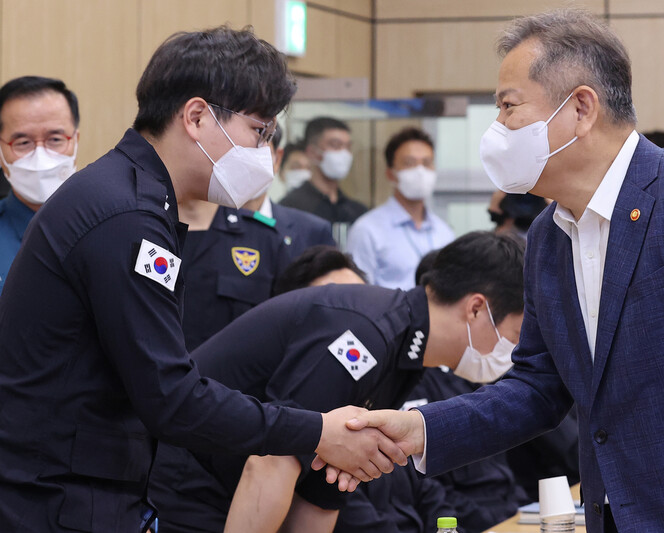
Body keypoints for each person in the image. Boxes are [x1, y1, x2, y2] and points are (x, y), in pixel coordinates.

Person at [334, 9, 664, 532]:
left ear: (580, 107)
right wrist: (419, 429)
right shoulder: (548, 237)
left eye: (509, 107)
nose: (498, 129)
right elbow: (539, 387)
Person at [0, 27, 405, 533]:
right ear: (195, 117)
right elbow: (171, 397)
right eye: (259, 132)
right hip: (56, 501)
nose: (264, 152)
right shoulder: (127, 215)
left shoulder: (133, 196)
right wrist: (316, 431)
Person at [148, 232, 524, 533]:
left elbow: (323, 493)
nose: (515, 350)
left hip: (232, 489)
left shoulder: (404, 353)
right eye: (517, 333)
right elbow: (271, 462)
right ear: (476, 308)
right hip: (185, 478)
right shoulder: (365, 334)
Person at [180, 124, 335, 351]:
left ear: (276, 158)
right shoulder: (196, 227)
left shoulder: (309, 230)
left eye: (258, 152)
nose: (249, 164)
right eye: (241, 152)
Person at [347, 127, 454, 289]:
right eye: (410, 163)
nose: (420, 171)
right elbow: (357, 294)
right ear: (391, 174)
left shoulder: (444, 231)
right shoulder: (367, 230)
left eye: (426, 163)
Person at [0, 76, 79, 292]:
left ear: (75, 141)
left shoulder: (112, 228)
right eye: (23, 143)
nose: (40, 156)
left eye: (55, 139)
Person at [280, 117, 367, 236]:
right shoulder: (290, 207)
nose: (344, 154)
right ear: (312, 152)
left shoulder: (357, 211)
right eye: (336, 145)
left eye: (347, 147)